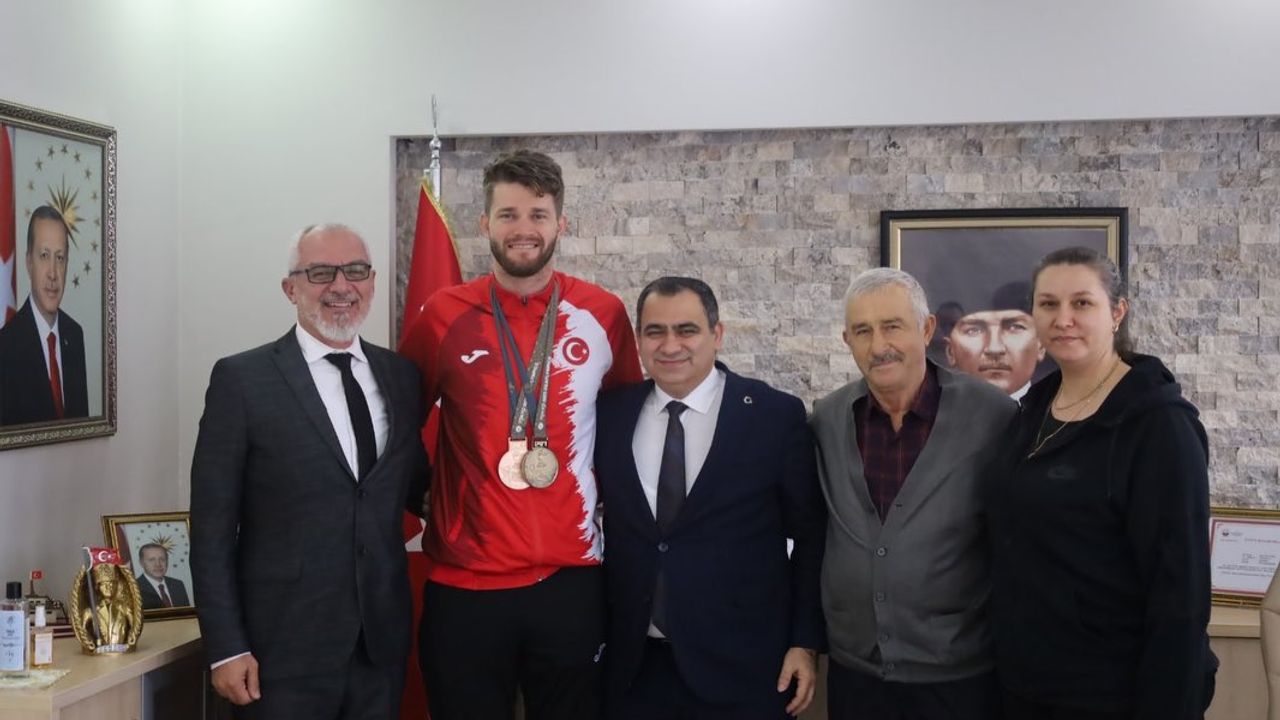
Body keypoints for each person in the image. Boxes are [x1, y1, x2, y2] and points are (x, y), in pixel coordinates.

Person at [398, 149, 642, 720]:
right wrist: (421, 493)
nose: (523, 229)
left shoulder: (603, 313)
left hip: (572, 579)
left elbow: (628, 423)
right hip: (465, 583)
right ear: (485, 223)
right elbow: (394, 421)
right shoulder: (444, 313)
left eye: (538, 214)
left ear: (561, 223)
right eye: (508, 214)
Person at [190, 224, 429, 720]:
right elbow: (211, 530)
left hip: (378, 650)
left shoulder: (402, 377)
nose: (341, 286)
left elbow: (414, 488)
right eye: (321, 273)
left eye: (355, 271)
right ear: (290, 288)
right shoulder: (242, 381)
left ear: (372, 281)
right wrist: (226, 647)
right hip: (279, 654)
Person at [987, 246, 1217, 719]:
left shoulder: (1158, 425)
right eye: (1048, 304)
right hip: (1024, 685)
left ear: (1117, 312)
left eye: (1082, 303)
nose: (1063, 319)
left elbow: (1180, 592)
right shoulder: (1032, 410)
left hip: (1111, 694)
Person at [595, 277, 826, 719]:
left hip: (744, 667)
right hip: (635, 670)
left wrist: (805, 642)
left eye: (687, 330)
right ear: (639, 339)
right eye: (655, 331)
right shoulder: (610, 414)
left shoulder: (773, 416)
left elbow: (812, 537)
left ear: (717, 334)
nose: (670, 346)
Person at [810, 267, 1015, 720]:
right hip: (855, 677)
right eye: (862, 331)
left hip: (959, 679)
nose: (878, 345)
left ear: (926, 330)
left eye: (892, 326)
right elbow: (812, 535)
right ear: (846, 341)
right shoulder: (826, 420)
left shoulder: (994, 417)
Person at [0, 206, 89, 425]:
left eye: (60, 258)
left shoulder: (74, 335)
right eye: (44, 256)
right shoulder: (6, 346)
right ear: (28, 263)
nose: (53, 273)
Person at [943, 281, 1045, 399]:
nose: (994, 349)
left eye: (1015, 327)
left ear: (1041, 345)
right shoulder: (933, 409)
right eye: (974, 330)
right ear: (950, 352)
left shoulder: (1059, 406)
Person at [79, 562, 142, 651]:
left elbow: (134, 625)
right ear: (98, 587)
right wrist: (89, 641)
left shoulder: (124, 608)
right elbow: (82, 630)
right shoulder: (91, 611)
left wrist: (131, 637)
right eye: (104, 584)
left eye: (111, 584)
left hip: (121, 648)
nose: (108, 587)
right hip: (100, 650)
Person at [134, 543, 191, 610]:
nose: (158, 564)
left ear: (167, 561)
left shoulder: (178, 585)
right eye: (151, 560)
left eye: (162, 559)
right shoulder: (134, 589)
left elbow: (187, 614)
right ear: (141, 563)